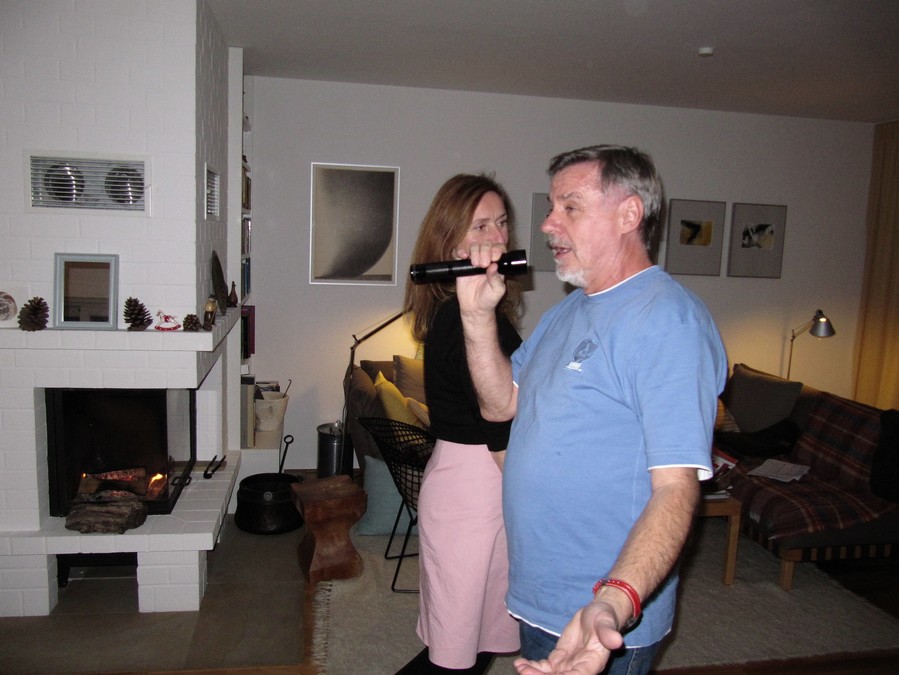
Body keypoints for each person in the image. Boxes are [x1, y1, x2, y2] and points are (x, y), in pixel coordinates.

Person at [456, 146, 727, 675]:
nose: (547, 224)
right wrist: (476, 316)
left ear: (629, 214)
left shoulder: (668, 321)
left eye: (570, 207)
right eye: (551, 207)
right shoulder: (567, 312)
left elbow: (676, 489)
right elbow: (500, 404)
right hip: (541, 593)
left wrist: (614, 600)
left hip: (603, 609)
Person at [398, 173, 523, 674]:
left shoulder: (478, 311)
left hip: (484, 485)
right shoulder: (460, 319)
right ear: (451, 243)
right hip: (473, 491)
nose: (497, 237)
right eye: (480, 227)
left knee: (482, 640)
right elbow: (496, 421)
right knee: (455, 657)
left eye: (502, 223)